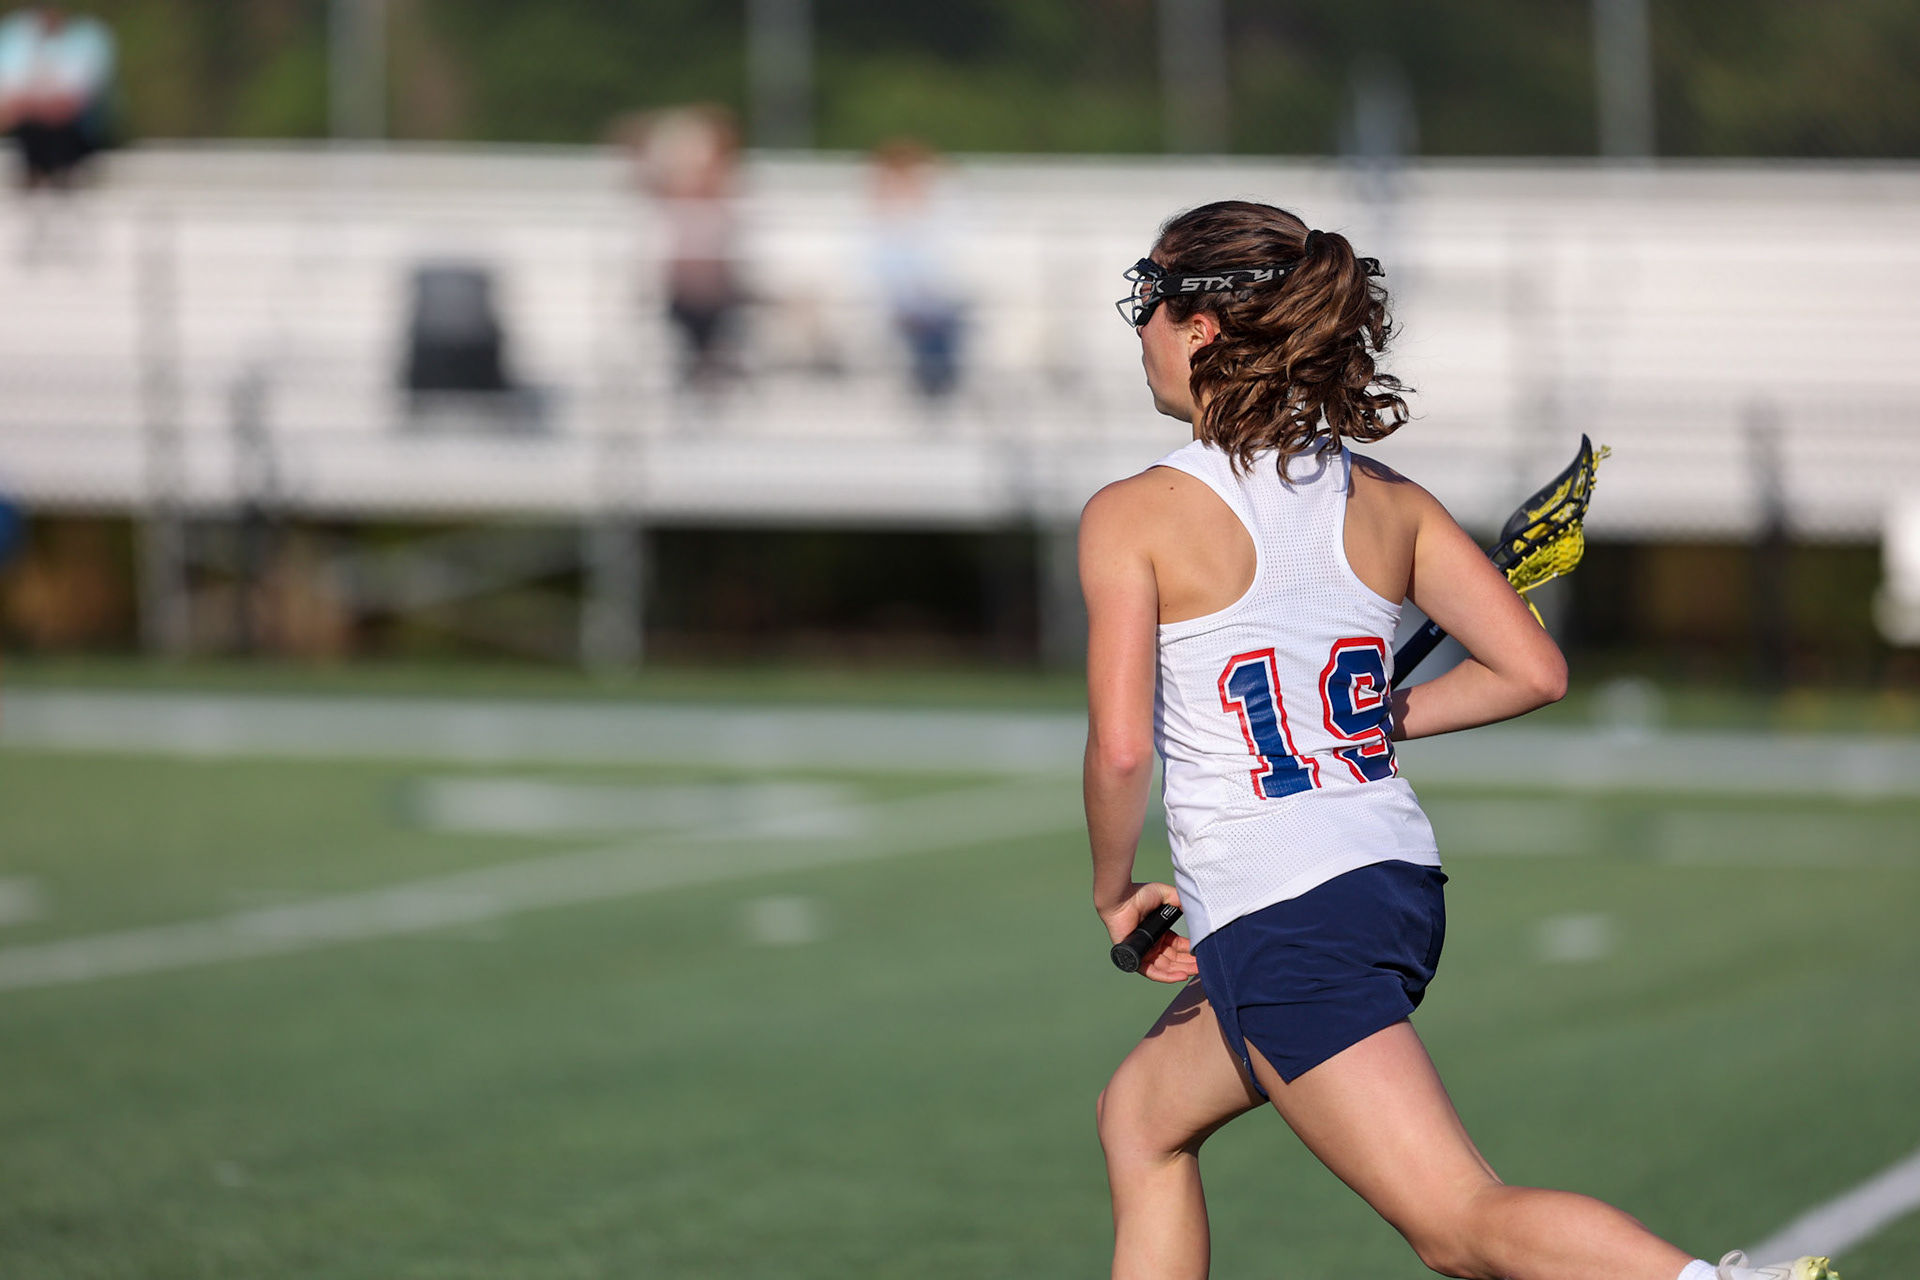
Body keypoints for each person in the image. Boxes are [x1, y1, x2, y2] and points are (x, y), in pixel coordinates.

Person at [1079, 199, 1836, 1280]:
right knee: (1141, 1118)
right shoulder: (1389, 500)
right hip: (1387, 882)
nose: (1139, 329)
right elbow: (1533, 669)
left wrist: (1115, 891)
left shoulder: (1132, 513)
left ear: (1200, 328)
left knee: (1456, 1221)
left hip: (1283, 906)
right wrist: (1366, 720)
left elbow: (1120, 750)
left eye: (1148, 303)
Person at [868, 139, 966, 401]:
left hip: (932, 305)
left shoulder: (930, 225)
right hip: (901, 307)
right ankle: (934, 388)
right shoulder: (879, 230)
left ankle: (936, 388)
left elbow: (945, 271)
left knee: (942, 321)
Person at [0, 5, 113, 190]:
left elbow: (79, 96)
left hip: (73, 126)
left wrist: (44, 104)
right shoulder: (15, 35)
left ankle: (59, 170)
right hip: (31, 124)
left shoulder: (88, 36)